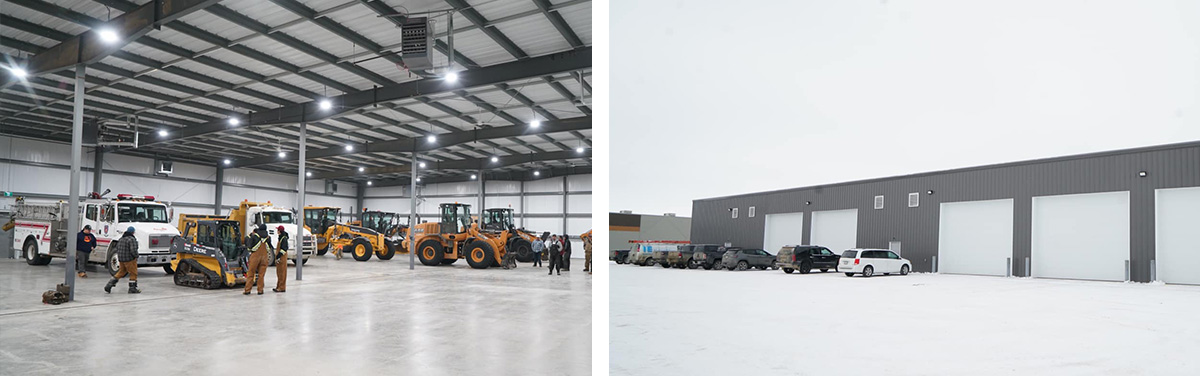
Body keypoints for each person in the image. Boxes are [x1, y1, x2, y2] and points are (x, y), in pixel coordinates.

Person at [104, 226, 140, 294]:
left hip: (121, 259)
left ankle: (109, 284)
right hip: (130, 259)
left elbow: (117, 248)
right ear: (133, 232)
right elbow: (133, 250)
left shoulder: (121, 239)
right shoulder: (131, 239)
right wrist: (136, 256)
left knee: (121, 272)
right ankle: (132, 288)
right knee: (133, 273)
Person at [243, 224, 273, 295]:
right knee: (261, 275)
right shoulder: (268, 238)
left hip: (255, 257)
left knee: (251, 273)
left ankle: (247, 290)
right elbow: (270, 247)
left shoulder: (254, 236)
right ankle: (260, 290)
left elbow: (249, 247)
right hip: (264, 257)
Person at [273, 225, 288, 293]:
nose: (277, 231)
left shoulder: (283, 238)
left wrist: (279, 256)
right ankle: (278, 286)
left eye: (277, 230)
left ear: (279, 231)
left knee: (282, 273)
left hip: (282, 257)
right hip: (280, 258)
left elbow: (284, 248)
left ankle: (282, 287)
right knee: (279, 273)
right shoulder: (281, 237)